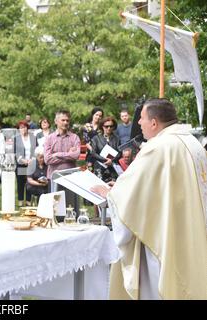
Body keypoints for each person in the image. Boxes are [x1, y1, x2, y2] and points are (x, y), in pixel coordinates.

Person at [91, 98, 207, 299]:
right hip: (189, 229)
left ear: (154, 123)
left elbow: (129, 199)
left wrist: (110, 194)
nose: (138, 123)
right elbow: (162, 186)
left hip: (163, 236)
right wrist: (120, 186)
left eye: (142, 118)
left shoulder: (158, 147)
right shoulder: (191, 142)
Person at [43, 110, 80, 209]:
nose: (65, 123)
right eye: (63, 120)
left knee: (71, 208)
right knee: (56, 209)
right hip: (54, 178)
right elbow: (47, 159)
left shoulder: (74, 137)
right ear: (56, 121)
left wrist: (57, 154)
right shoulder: (49, 138)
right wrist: (68, 155)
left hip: (71, 178)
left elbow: (76, 155)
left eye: (67, 120)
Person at [90, 116, 121, 183]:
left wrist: (111, 160)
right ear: (102, 126)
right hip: (100, 168)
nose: (109, 128)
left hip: (113, 168)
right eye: (106, 126)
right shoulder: (96, 138)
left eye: (111, 126)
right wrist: (105, 160)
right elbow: (93, 153)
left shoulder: (117, 139)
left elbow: (119, 153)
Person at [14, 120, 37, 207]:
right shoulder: (17, 138)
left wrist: (32, 159)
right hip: (21, 164)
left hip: (31, 163)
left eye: (24, 127)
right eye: (20, 128)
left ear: (27, 128)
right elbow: (15, 152)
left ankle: (28, 200)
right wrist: (22, 160)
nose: (23, 129)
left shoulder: (33, 138)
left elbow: (36, 150)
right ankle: (20, 200)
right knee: (20, 182)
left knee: (29, 182)